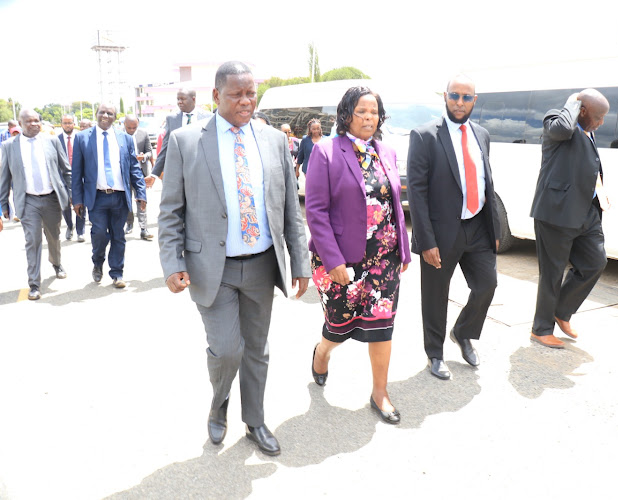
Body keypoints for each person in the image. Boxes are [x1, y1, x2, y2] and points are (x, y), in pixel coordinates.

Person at [158, 61, 310, 455]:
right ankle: (219, 401)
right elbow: (171, 210)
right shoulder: (187, 141)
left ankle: (255, 421)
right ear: (216, 96)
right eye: (236, 94)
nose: (245, 102)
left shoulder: (274, 140)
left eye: (250, 94)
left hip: (261, 264)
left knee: (257, 348)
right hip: (214, 268)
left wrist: (300, 262)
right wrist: (173, 263)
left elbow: (289, 209)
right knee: (227, 349)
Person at [306, 86, 411, 424]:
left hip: (384, 258)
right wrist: (333, 261)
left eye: (374, 111)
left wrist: (403, 250)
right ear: (346, 114)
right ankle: (322, 352)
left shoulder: (388, 152)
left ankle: (379, 392)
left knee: (382, 326)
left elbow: (396, 206)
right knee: (339, 326)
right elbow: (316, 210)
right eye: (362, 111)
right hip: (341, 260)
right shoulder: (325, 152)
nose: (369, 117)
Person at [407, 75, 502, 380]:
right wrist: (425, 240)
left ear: (475, 101)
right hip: (440, 232)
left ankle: (463, 332)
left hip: (477, 226)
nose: (460, 102)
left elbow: (487, 183)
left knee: (487, 284)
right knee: (436, 294)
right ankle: (435, 353)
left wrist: (495, 230)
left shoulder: (482, 135)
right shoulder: (424, 136)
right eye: (455, 96)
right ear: (445, 97)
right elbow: (417, 193)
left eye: (467, 97)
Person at [529, 89, 611, 349]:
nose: (601, 123)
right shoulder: (557, 119)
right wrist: (572, 103)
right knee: (552, 274)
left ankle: (561, 311)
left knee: (595, 262)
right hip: (556, 212)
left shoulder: (587, 127)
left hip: (587, 211)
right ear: (582, 110)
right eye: (598, 117)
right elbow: (563, 130)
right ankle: (540, 329)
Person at [72, 103, 147, 288]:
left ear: (115, 117)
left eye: (110, 113)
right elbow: (76, 172)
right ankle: (98, 262)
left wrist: (141, 193)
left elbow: (134, 168)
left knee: (118, 235)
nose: (105, 115)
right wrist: (77, 199)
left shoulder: (125, 139)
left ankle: (117, 273)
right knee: (99, 234)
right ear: (96, 114)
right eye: (102, 112)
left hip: (120, 196)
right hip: (97, 197)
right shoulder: (82, 138)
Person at [0, 109, 71, 300]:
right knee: (33, 240)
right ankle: (34, 283)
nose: (34, 124)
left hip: (51, 198)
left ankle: (56, 263)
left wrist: (71, 194)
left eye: (36, 121)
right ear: (20, 125)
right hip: (28, 200)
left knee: (54, 237)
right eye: (29, 122)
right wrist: (3, 204)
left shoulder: (52, 141)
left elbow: (66, 170)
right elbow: (4, 177)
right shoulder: (9, 146)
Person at [146, 88, 212, 187]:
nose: (179, 102)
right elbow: (165, 148)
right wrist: (154, 174)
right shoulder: (172, 119)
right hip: (179, 173)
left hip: (202, 172)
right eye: (178, 99)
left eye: (183, 99)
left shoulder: (208, 117)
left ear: (193, 99)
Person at [123, 115, 153, 240]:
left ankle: (143, 228)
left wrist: (144, 157)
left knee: (141, 199)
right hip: (125, 172)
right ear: (124, 125)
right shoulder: (118, 135)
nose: (131, 130)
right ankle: (129, 223)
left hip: (140, 171)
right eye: (129, 128)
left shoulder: (143, 134)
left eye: (134, 127)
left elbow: (150, 151)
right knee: (127, 199)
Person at [59, 114, 86, 242]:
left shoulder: (80, 137)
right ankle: (70, 226)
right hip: (63, 177)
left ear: (74, 123)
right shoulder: (56, 140)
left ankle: (80, 231)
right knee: (65, 205)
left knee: (81, 203)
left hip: (80, 175)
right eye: (65, 123)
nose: (68, 125)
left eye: (70, 123)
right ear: (61, 124)